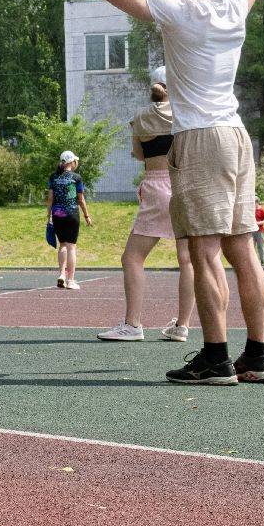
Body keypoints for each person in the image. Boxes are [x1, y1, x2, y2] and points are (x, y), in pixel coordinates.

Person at [70, 0, 264, 385]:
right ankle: (256, 357)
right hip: (236, 137)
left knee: (204, 251)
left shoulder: (179, 9)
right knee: (243, 249)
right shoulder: (234, 3)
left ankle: (216, 358)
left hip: (200, 140)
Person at [97, 76, 195, 341]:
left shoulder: (141, 116)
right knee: (187, 260)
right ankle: (182, 326)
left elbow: (139, 155)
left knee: (132, 258)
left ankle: (132, 324)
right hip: (185, 186)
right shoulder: (187, 113)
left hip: (157, 186)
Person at [48, 151, 93, 290]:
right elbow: (80, 199)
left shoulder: (53, 177)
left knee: (62, 245)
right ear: (72, 162)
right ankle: (71, 280)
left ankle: (62, 274)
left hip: (57, 214)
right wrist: (87, 215)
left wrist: (48, 216)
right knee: (71, 247)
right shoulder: (76, 178)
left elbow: (50, 198)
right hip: (71, 214)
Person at [253, 196, 264, 266]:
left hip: (260, 231)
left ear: (257, 202)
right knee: (251, 247)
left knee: (261, 246)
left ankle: (262, 261)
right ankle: (252, 262)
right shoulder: (251, 210)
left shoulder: (261, 210)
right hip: (252, 231)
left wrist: (258, 223)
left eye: (254, 202)